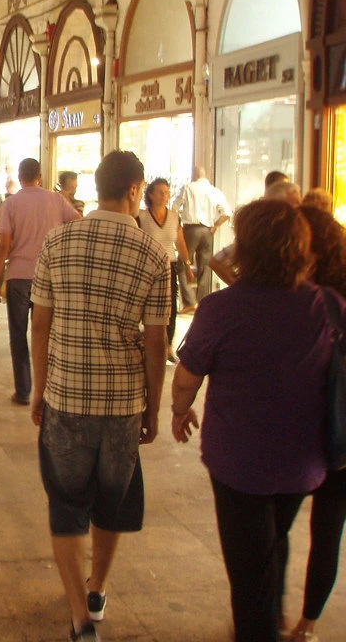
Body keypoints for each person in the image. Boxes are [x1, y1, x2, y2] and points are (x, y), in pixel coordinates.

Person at [171, 199, 335, 642]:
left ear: (245, 250)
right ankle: (272, 615)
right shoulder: (327, 307)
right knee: (272, 539)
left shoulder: (221, 309)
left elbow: (186, 378)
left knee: (248, 573)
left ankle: (260, 626)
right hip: (304, 463)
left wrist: (178, 410)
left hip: (239, 465)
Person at [30, 151, 170, 642]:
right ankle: (98, 588)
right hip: (123, 403)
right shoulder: (154, 254)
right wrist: (154, 406)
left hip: (66, 396)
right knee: (113, 501)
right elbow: (156, 343)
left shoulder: (58, 241)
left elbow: (40, 325)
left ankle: (79, 617)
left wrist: (38, 388)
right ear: (135, 189)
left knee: (66, 504)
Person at [286, 205, 346, 642]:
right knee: (329, 527)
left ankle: (267, 611)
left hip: (303, 430)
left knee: (274, 522)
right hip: (341, 433)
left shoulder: (301, 299)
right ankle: (307, 624)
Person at [0, 158, 80, 405]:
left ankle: (24, 390)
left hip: (19, 276)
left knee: (18, 335)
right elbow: (78, 221)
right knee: (47, 333)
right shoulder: (56, 200)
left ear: (20, 177)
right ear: (40, 176)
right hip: (50, 277)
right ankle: (49, 388)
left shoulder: (11, 204)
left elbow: (4, 246)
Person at [138, 178, 194, 362]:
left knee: (170, 307)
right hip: (147, 266)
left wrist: (187, 265)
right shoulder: (142, 216)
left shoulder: (173, 216)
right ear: (151, 195)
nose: (164, 196)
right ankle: (147, 343)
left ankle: (167, 345)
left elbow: (180, 241)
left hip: (169, 265)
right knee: (145, 306)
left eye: (167, 192)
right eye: (161, 192)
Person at [173, 165, 231, 312]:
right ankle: (202, 303)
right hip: (208, 230)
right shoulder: (214, 191)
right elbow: (226, 212)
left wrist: (177, 222)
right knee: (205, 267)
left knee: (182, 264)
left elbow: (175, 207)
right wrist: (215, 226)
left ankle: (189, 301)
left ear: (194, 174)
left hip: (191, 229)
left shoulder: (188, 187)